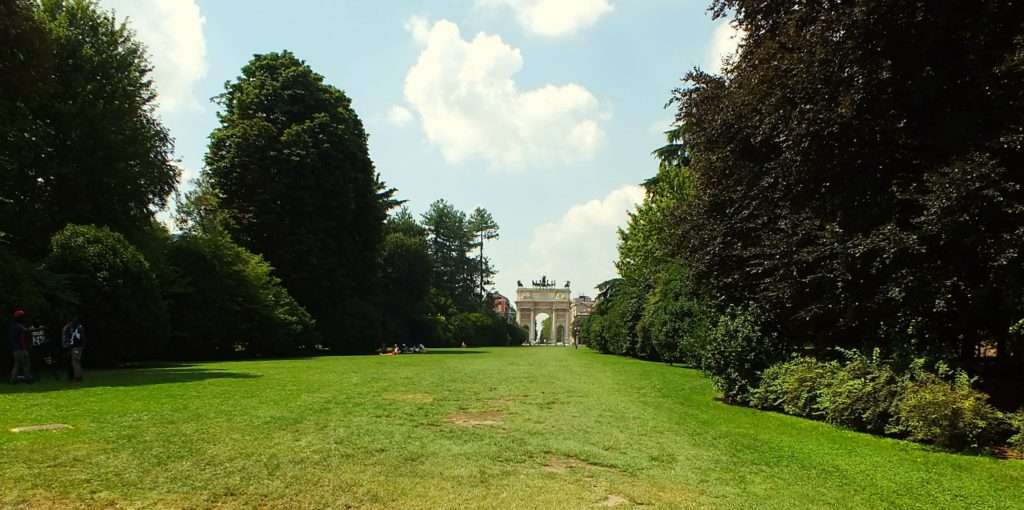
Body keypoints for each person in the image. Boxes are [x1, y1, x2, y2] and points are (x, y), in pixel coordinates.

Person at [8, 309, 32, 384]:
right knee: (26, 364)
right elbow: (25, 333)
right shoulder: (19, 326)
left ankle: (13, 380)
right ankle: (28, 379)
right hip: (21, 349)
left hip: (15, 349)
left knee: (17, 365)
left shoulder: (12, 326)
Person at [62, 316, 86, 382]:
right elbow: (82, 338)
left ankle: (77, 377)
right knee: (75, 362)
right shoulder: (79, 327)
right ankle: (75, 376)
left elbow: (65, 338)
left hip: (74, 347)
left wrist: (66, 345)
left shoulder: (68, 327)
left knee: (75, 362)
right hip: (77, 347)